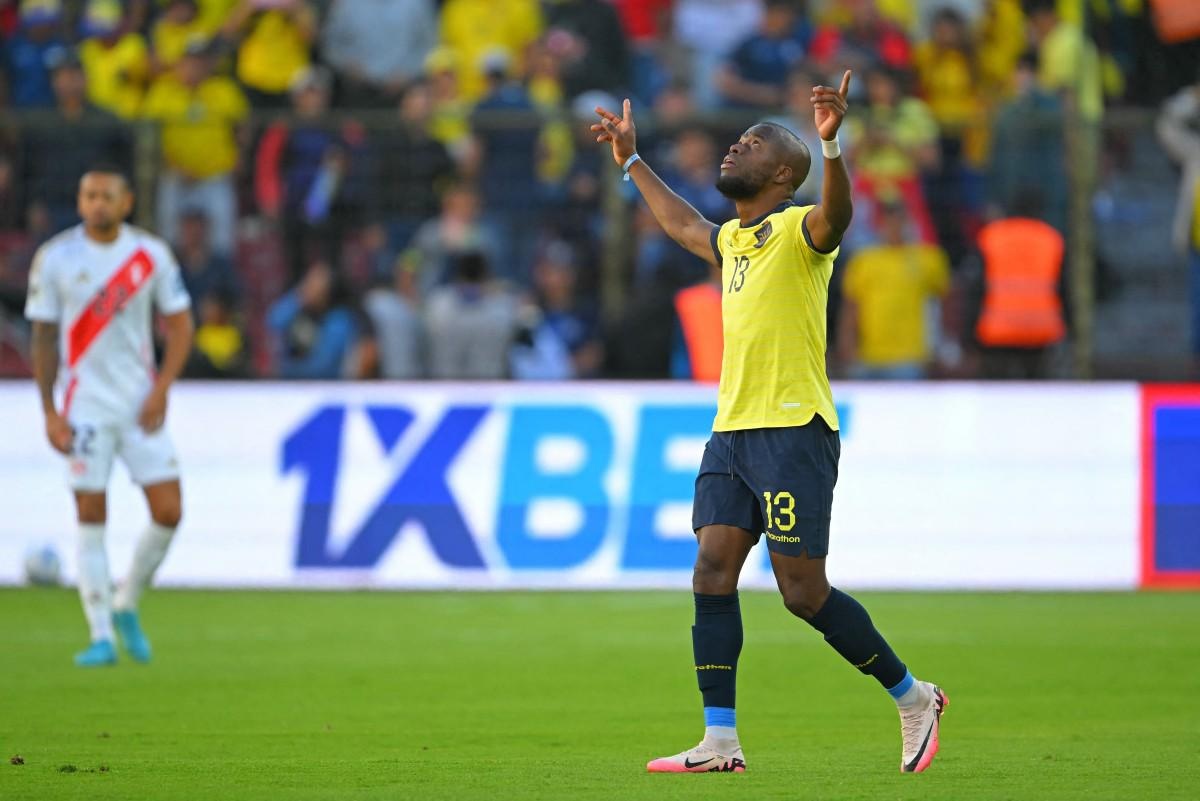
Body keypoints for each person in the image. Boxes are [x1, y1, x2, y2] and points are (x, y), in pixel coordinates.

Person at [591, 72, 947, 774]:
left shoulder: (800, 231)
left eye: (751, 144)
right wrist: (633, 161)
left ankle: (914, 695)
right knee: (711, 569)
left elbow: (837, 216)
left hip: (793, 431)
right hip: (732, 432)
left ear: (783, 172)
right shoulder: (733, 240)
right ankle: (719, 741)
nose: (734, 146)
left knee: (802, 593)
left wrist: (833, 143)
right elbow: (685, 224)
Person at [24, 166, 194, 667]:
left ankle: (126, 603)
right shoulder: (56, 258)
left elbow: (182, 327)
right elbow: (42, 338)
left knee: (169, 512)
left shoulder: (150, 255)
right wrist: (50, 412)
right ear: (80, 202)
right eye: (89, 195)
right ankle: (100, 635)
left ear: (127, 203)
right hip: (85, 409)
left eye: (107, 196)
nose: (97, 203)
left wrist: (162, 389)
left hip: (139, 404)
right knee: (91, 519)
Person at [838, 199, 950, 379]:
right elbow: (851, 309)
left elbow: (946, 303)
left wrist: (941, 347)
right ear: (880, 225)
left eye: (900, 220)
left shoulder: (928, 259)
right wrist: (848, 348)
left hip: (910, 358)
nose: (894, 227)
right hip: (869, 357)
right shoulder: (864, 261)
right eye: (889, 221)